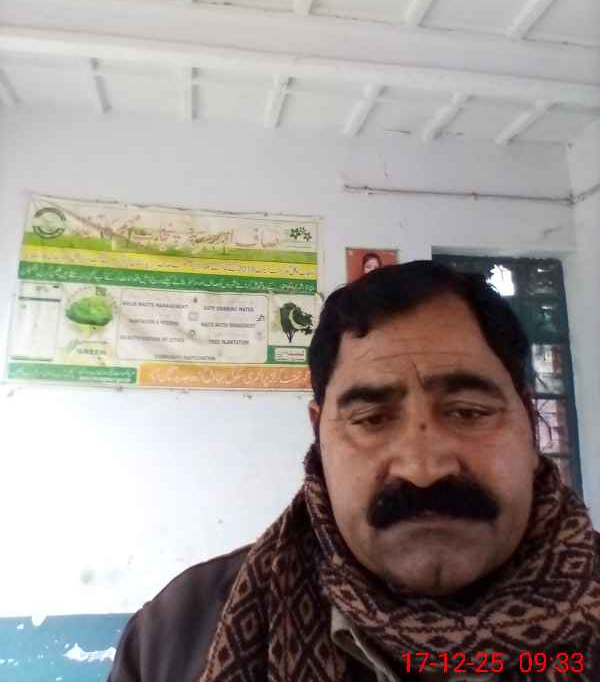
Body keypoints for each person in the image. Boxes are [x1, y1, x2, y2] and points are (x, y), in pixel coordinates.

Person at [108, 261, 600, 682]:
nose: (423, 468)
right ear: (319, 436)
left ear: (529, 422)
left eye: (469, 412)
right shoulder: (176, 634)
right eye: (370, 419)